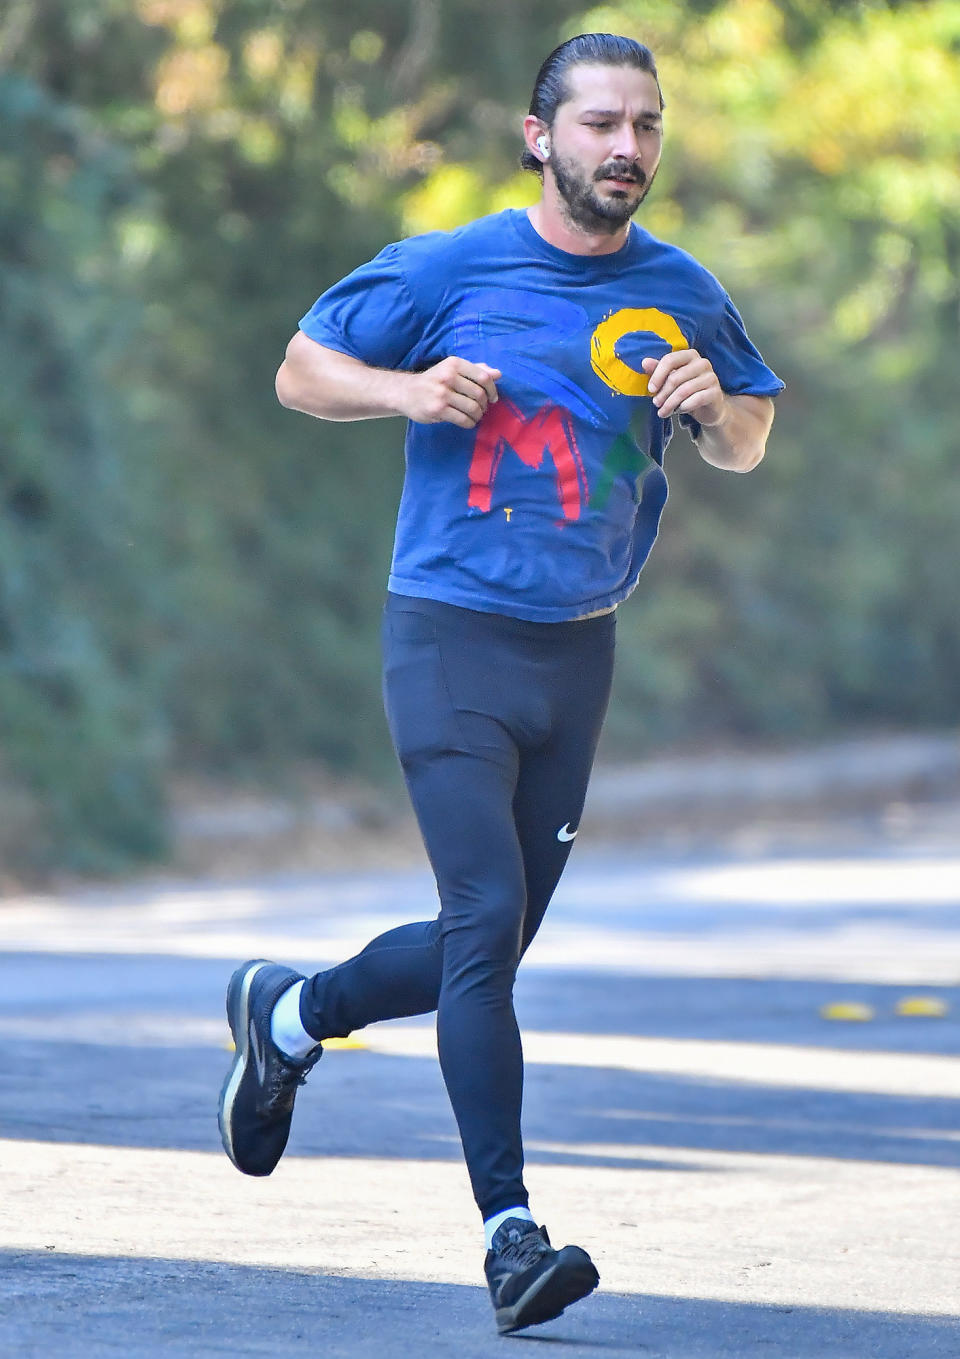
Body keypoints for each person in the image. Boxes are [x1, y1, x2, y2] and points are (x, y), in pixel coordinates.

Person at [218, 32, 783, 1335]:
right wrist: (408, 392)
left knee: (495, 938)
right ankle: (510, 1234)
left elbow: (749, 438)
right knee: (483, 922)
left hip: (578, 651)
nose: (625, 148)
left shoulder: (681, 289)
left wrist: (713, 410)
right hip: (449, 636)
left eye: (644, 125)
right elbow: (303, 369)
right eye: (598, 124)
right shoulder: (449, 266)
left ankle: (291, 1015)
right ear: (540, 135)